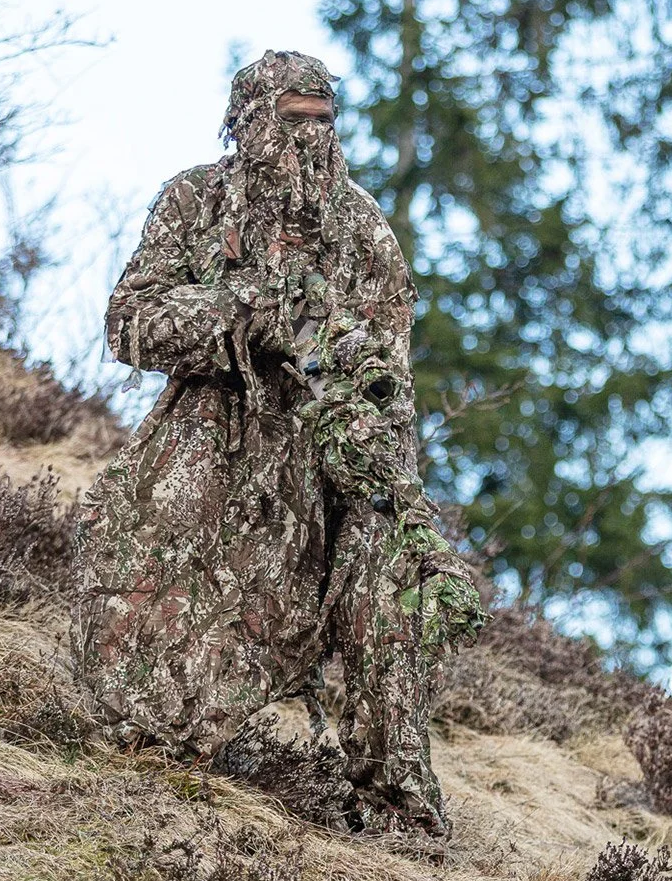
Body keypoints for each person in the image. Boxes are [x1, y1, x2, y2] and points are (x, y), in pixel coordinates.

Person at [72, 50, 486, 836]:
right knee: (165, 574)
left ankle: (393, 808)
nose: (311, 139)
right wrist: (236, 312)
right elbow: (130, 322)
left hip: (326, 457)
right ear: (249, 122)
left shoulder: (362, 230)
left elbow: (387, 376)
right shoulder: (196, 199)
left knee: (381, 599)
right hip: (211, 435)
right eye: (293, 121)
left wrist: (376, 459)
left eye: (324, 123)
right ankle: (151, 735)